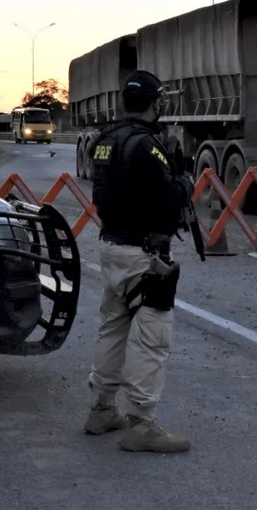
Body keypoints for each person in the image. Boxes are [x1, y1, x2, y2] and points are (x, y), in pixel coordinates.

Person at [82, 69, 195, 453]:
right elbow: (168, 196)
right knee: (151, 338)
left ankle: (102, 408)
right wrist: (185, 180)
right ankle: (142, 424)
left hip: (112, 247)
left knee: (113, 327)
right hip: (144, 255)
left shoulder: (105, 140)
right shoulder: (146, 145)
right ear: (155, 103)